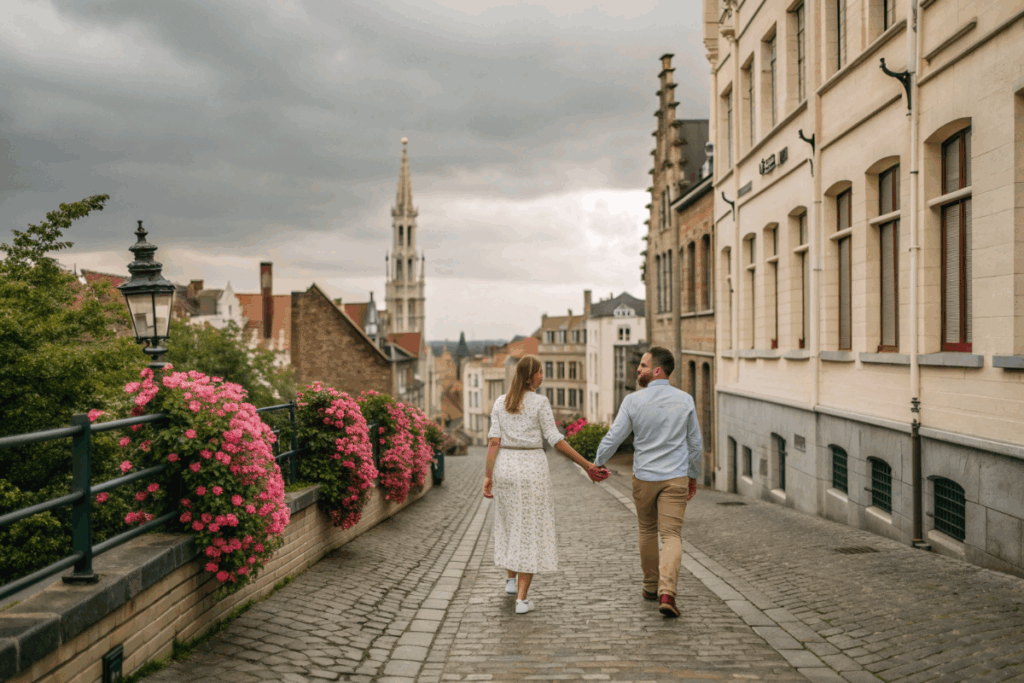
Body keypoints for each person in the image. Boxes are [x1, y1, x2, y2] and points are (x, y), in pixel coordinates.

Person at [483, 354, 609, 614]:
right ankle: (521, 599)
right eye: (540, 372)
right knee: (527, 529)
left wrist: (488, 475)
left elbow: (493, 441)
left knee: (509, 522)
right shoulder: (539, 402)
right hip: (531, 468)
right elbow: (555, 439)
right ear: (530, 377)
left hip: (505, 467)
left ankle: (509, 581)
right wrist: (586, 465)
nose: (543, 376)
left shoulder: (500, 402)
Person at [594, 346, 702, 618]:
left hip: (644, 478)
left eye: (642, 365)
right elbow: (695, 443)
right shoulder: (685, 400)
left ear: (657, 370)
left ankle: (650, 586)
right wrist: (693, 474)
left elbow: (614, 437)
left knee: (647, 531)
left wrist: (596, 463)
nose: (638, 370)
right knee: (672, 535)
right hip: (675, 476)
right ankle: (668, 592)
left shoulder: (633, 401)